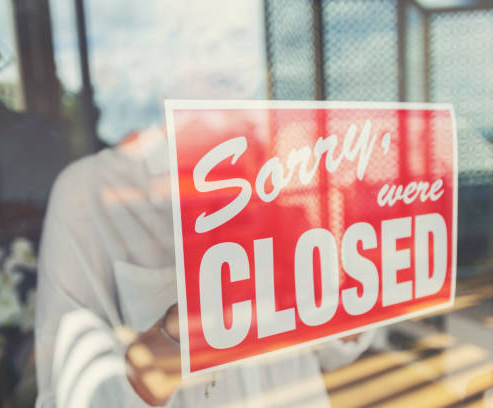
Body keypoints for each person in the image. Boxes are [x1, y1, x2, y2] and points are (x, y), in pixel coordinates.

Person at [35, 127, 376, 407]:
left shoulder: (292, 167)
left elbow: (333, 353)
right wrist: (183, 332)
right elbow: (63, 398)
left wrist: (350, 285)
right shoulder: (90, 193)